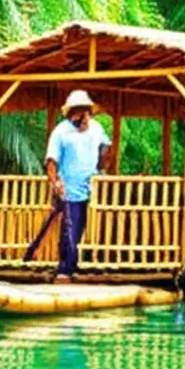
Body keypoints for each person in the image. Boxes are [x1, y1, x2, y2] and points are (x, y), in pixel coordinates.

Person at [39, 90, 111, 283]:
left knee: (92, 229)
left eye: (86, 112)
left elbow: (106, 147)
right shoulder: (61, 132)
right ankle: (66, 269)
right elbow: (51, 162)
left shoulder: (97, 128)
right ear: (71, 114)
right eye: (79, 113)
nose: (83, 118)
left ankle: (86, 265)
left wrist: (101, 166)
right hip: (70, 190)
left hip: (93, 190)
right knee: (70, 229)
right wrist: (56, 183)